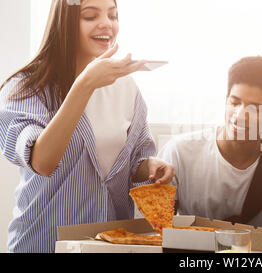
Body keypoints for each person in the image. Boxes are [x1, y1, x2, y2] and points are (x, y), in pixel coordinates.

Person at [0, 0, 174, 253]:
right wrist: (85, 85)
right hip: (44, 242)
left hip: (109, 245)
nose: (107, 23)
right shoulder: (28, 86)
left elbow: (136, 158)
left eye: (113, 15)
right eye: (90, 16)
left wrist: (148, 167)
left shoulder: (126, 88)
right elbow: (41, 161)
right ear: (65, 23)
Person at [157, 56, 262, 228]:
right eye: (234, 103)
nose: (240, 115)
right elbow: (158, 227)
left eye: (255, 108)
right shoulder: (179, 152)